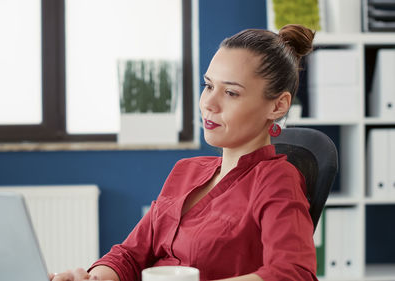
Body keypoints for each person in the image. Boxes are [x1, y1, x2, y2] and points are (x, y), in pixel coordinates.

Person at [51, 24, 317, 281]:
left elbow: (295, 273)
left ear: (278, 105)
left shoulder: (277, 181)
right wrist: (95, 278)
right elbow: (130, 256)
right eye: (209, 86)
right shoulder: (186, 170)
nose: (209, 104)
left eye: (231, 92)